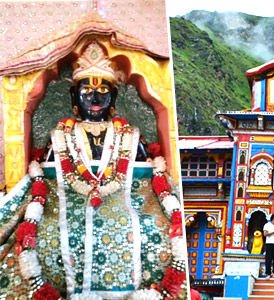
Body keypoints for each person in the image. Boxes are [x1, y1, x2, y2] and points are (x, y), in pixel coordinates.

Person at [0, 41, 186, 299]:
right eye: (86, 91)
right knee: (43, 242)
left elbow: (148, 177)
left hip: (126, 212)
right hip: (63, 211)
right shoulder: (59, 137)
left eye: (103, 92)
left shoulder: (130, 137)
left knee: (159, 239)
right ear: (74, 98)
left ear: (113, 98)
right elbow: (47, 177)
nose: (95, 98)